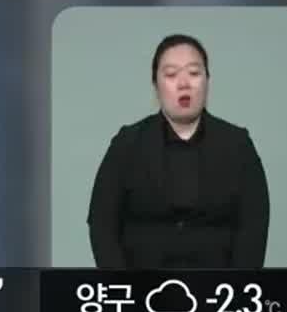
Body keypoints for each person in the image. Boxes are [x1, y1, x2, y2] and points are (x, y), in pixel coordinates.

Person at [85, 34, 271, 269]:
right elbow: (102, 223)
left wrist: (235, 293)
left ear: (207, 81)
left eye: (194, 73)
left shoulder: (238, 145)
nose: (184, 83)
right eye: (171, 75)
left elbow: (254, 227)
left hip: (218, 294)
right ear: (156, 85)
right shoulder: (127, 144)